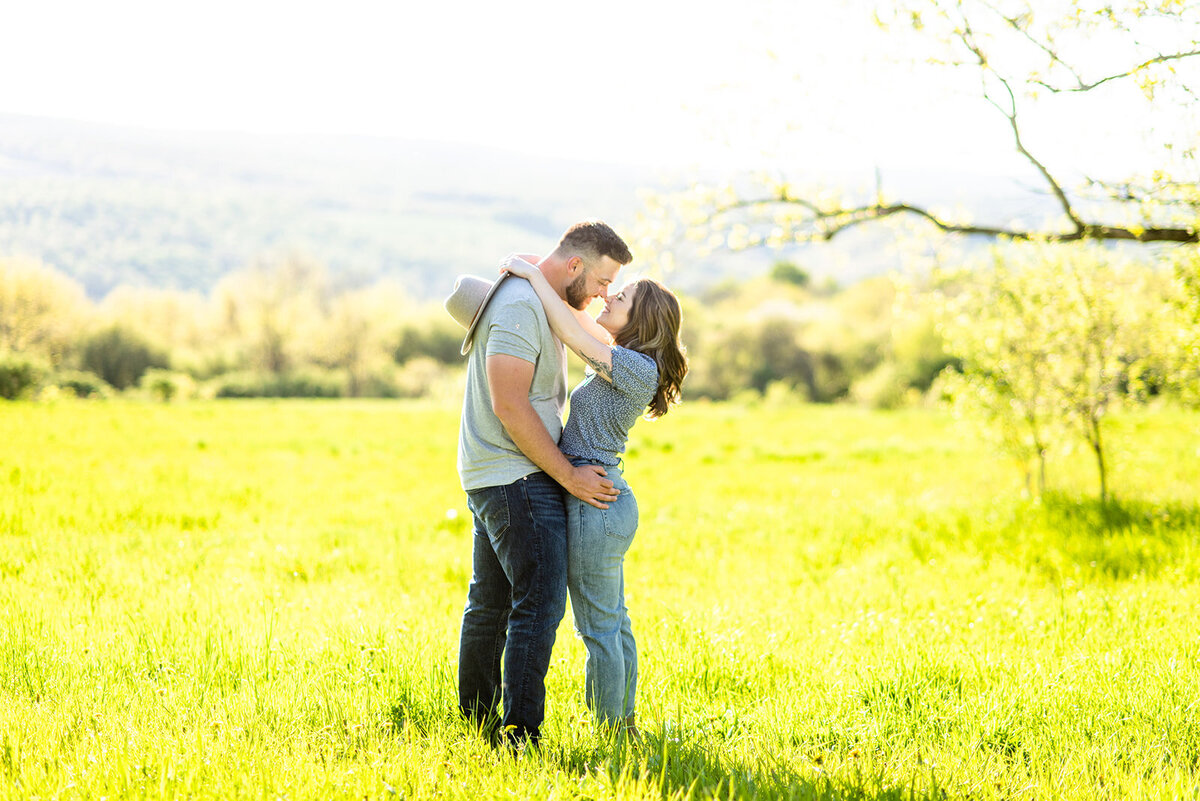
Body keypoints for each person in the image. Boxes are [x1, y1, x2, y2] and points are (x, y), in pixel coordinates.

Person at [443, 220, 633, 749]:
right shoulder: (522, 306)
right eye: (600, 281)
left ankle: (478, 722)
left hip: (497, 472)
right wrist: (569, 474)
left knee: (492, 600)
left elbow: (579, 321)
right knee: (541, 601)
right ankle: (519, 732)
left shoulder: (541, 294)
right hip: (517, 475)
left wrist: (532, 267)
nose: (601, 296)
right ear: (575, 266)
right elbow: (510, 404)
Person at [498, 253, 688, 736]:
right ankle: (622, 722)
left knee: (600, 628)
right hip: (603, 499)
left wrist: (534, 276)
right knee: (614, 621)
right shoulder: (627, 360)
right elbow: (579, 320)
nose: (608, 295)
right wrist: (549, 276)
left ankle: (613, 730)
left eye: (619, 297)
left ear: (639, 319)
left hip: (595, 501)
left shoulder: (634, 367)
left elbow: (572, 332)